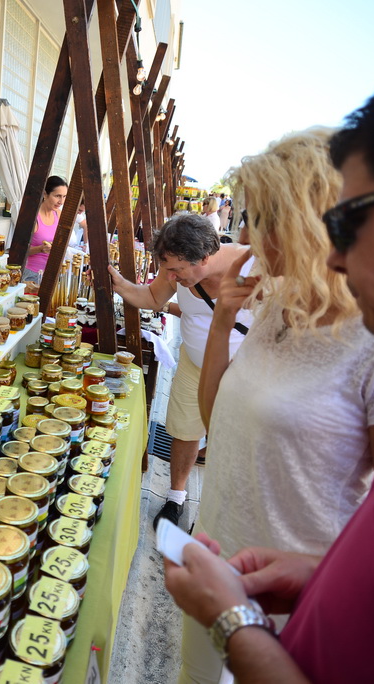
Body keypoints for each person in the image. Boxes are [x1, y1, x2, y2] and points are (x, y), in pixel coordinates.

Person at [164, 18, 374, 682]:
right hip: (240, 574)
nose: (247, 239)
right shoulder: (278, 307)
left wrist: (238, 622)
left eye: (349, 222)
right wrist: (317, 573)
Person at [177, 129, 374, 683]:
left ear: (308, 221)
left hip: (297, 591)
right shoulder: (277, 301)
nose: (243, 234)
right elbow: (214, 423)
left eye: (259, 218)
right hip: (217, 554)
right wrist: (222, 321)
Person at [109, 213, 254, 528]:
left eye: (177, 270)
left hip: (242, 373)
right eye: (167, 269)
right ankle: (176, 496)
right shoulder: (175, 269)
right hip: (194, 361)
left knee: (232, 443)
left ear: (204, 258)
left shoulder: (252, 268)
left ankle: (216, 517)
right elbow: (152, 297)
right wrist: (120, 285)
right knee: (185, 430)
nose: (171, 277)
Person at [23, 175, 68, 282]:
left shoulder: (58, 214)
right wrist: (40, 248)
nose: (61, 201)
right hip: (33, 274)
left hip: (53, 272)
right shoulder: (33, 217)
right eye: (57, 196)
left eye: (64, 196)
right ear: (45, 194)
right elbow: (20, 251)